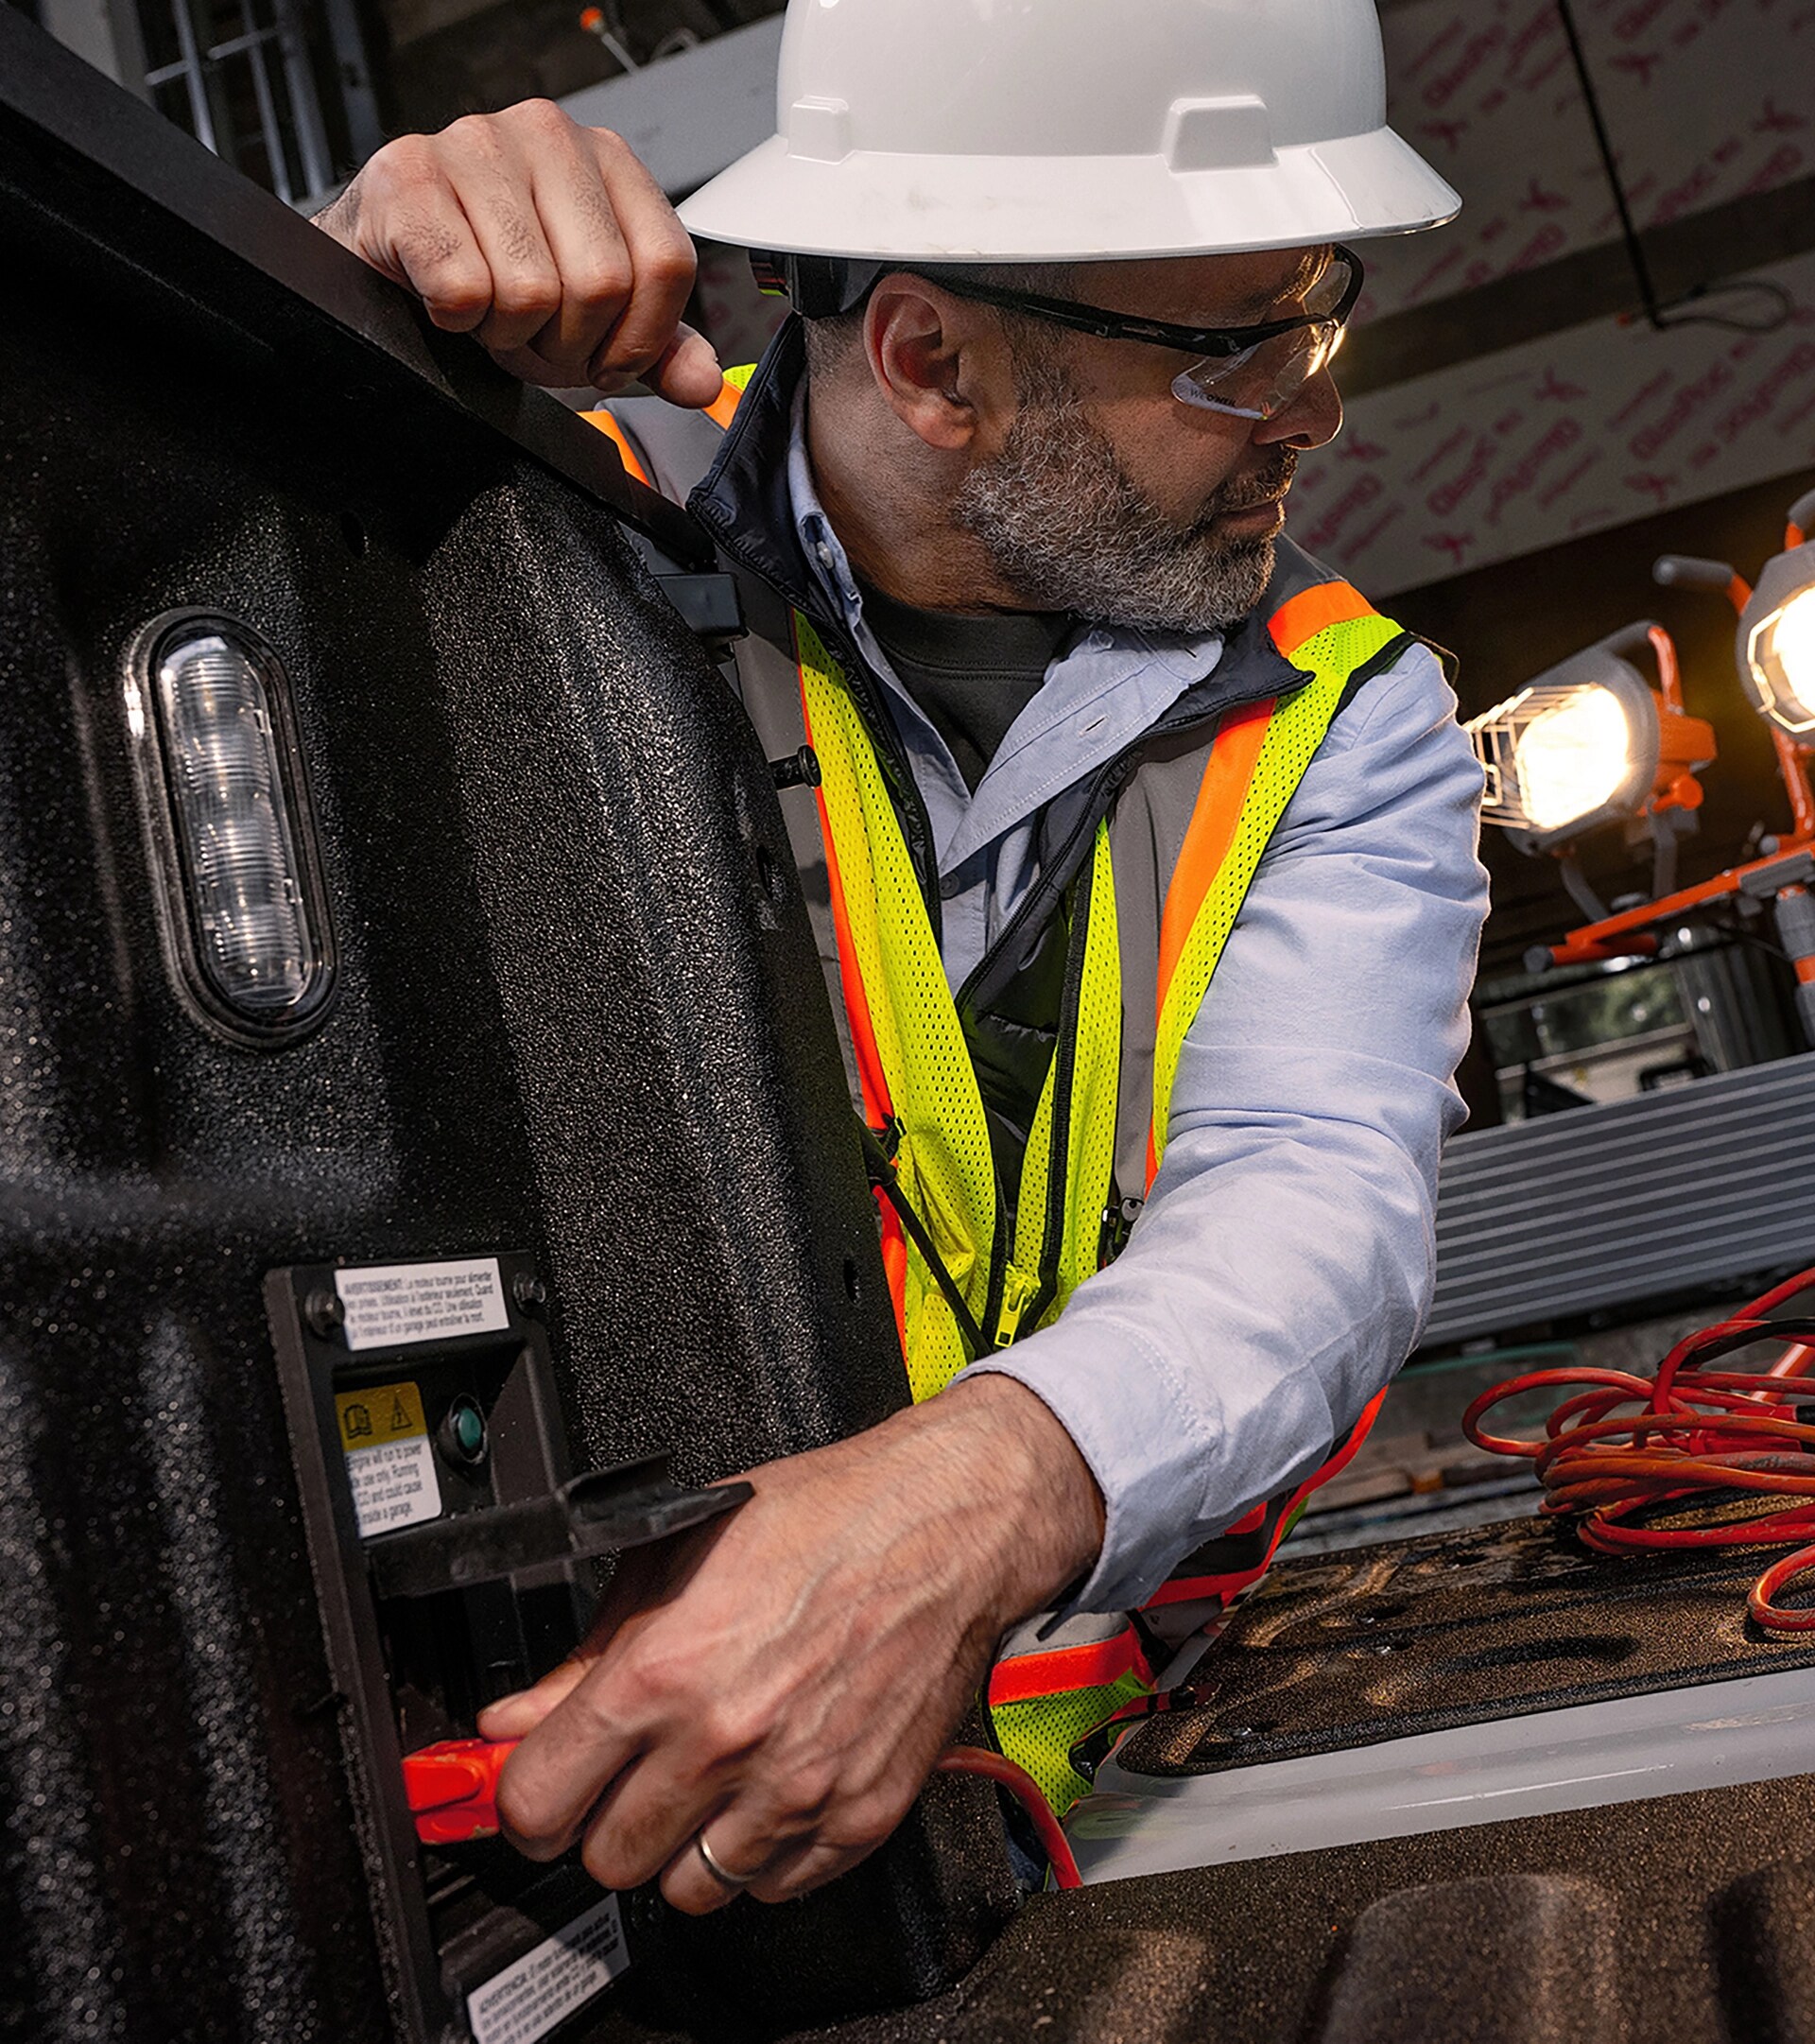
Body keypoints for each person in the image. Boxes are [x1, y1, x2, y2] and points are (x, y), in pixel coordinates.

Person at [315, 0, 1488, 1920]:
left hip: (1105, 1822)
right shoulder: (529, 541)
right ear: (932, 361)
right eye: (1236, 351)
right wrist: (317, 320)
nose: (1312, 408)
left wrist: (979, 1500)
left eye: (1318, 310)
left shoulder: (1338, 714)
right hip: (554, 1825)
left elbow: (1320, 1195)